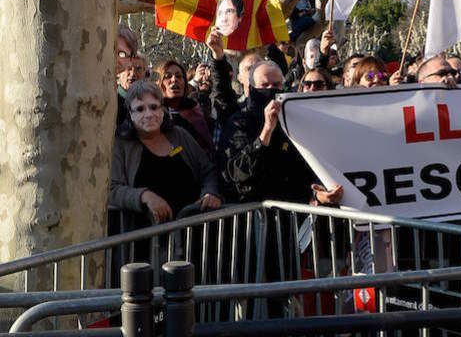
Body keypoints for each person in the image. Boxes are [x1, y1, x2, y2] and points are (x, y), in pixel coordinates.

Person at [219, 60, 343, 206]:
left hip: (295, 212)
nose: (271, 89)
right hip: (254, 212)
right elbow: (236, 171)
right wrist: (266, 131)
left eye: (277, 85)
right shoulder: (239, 121)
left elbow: (307, 166)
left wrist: (317, 193)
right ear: (252, 87)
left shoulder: (294, 119)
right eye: (264, 85)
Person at [111, 81, 222, 223]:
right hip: (147, 236)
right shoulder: (121, 145)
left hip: (193, 231)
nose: (149, 114)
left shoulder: (180, 135)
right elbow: (112, 189)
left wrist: (210, 192)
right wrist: (144, 196)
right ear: (130, 114)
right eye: (140, 109)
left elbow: (208, 170)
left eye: (153, 107)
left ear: (162, 109)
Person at [153, 59, 214, 154]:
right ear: (158, 83)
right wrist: (178, 151)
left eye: (179, 76)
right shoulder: (152, 114)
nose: (174, 79)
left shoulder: (196, 111)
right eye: (167, 76)